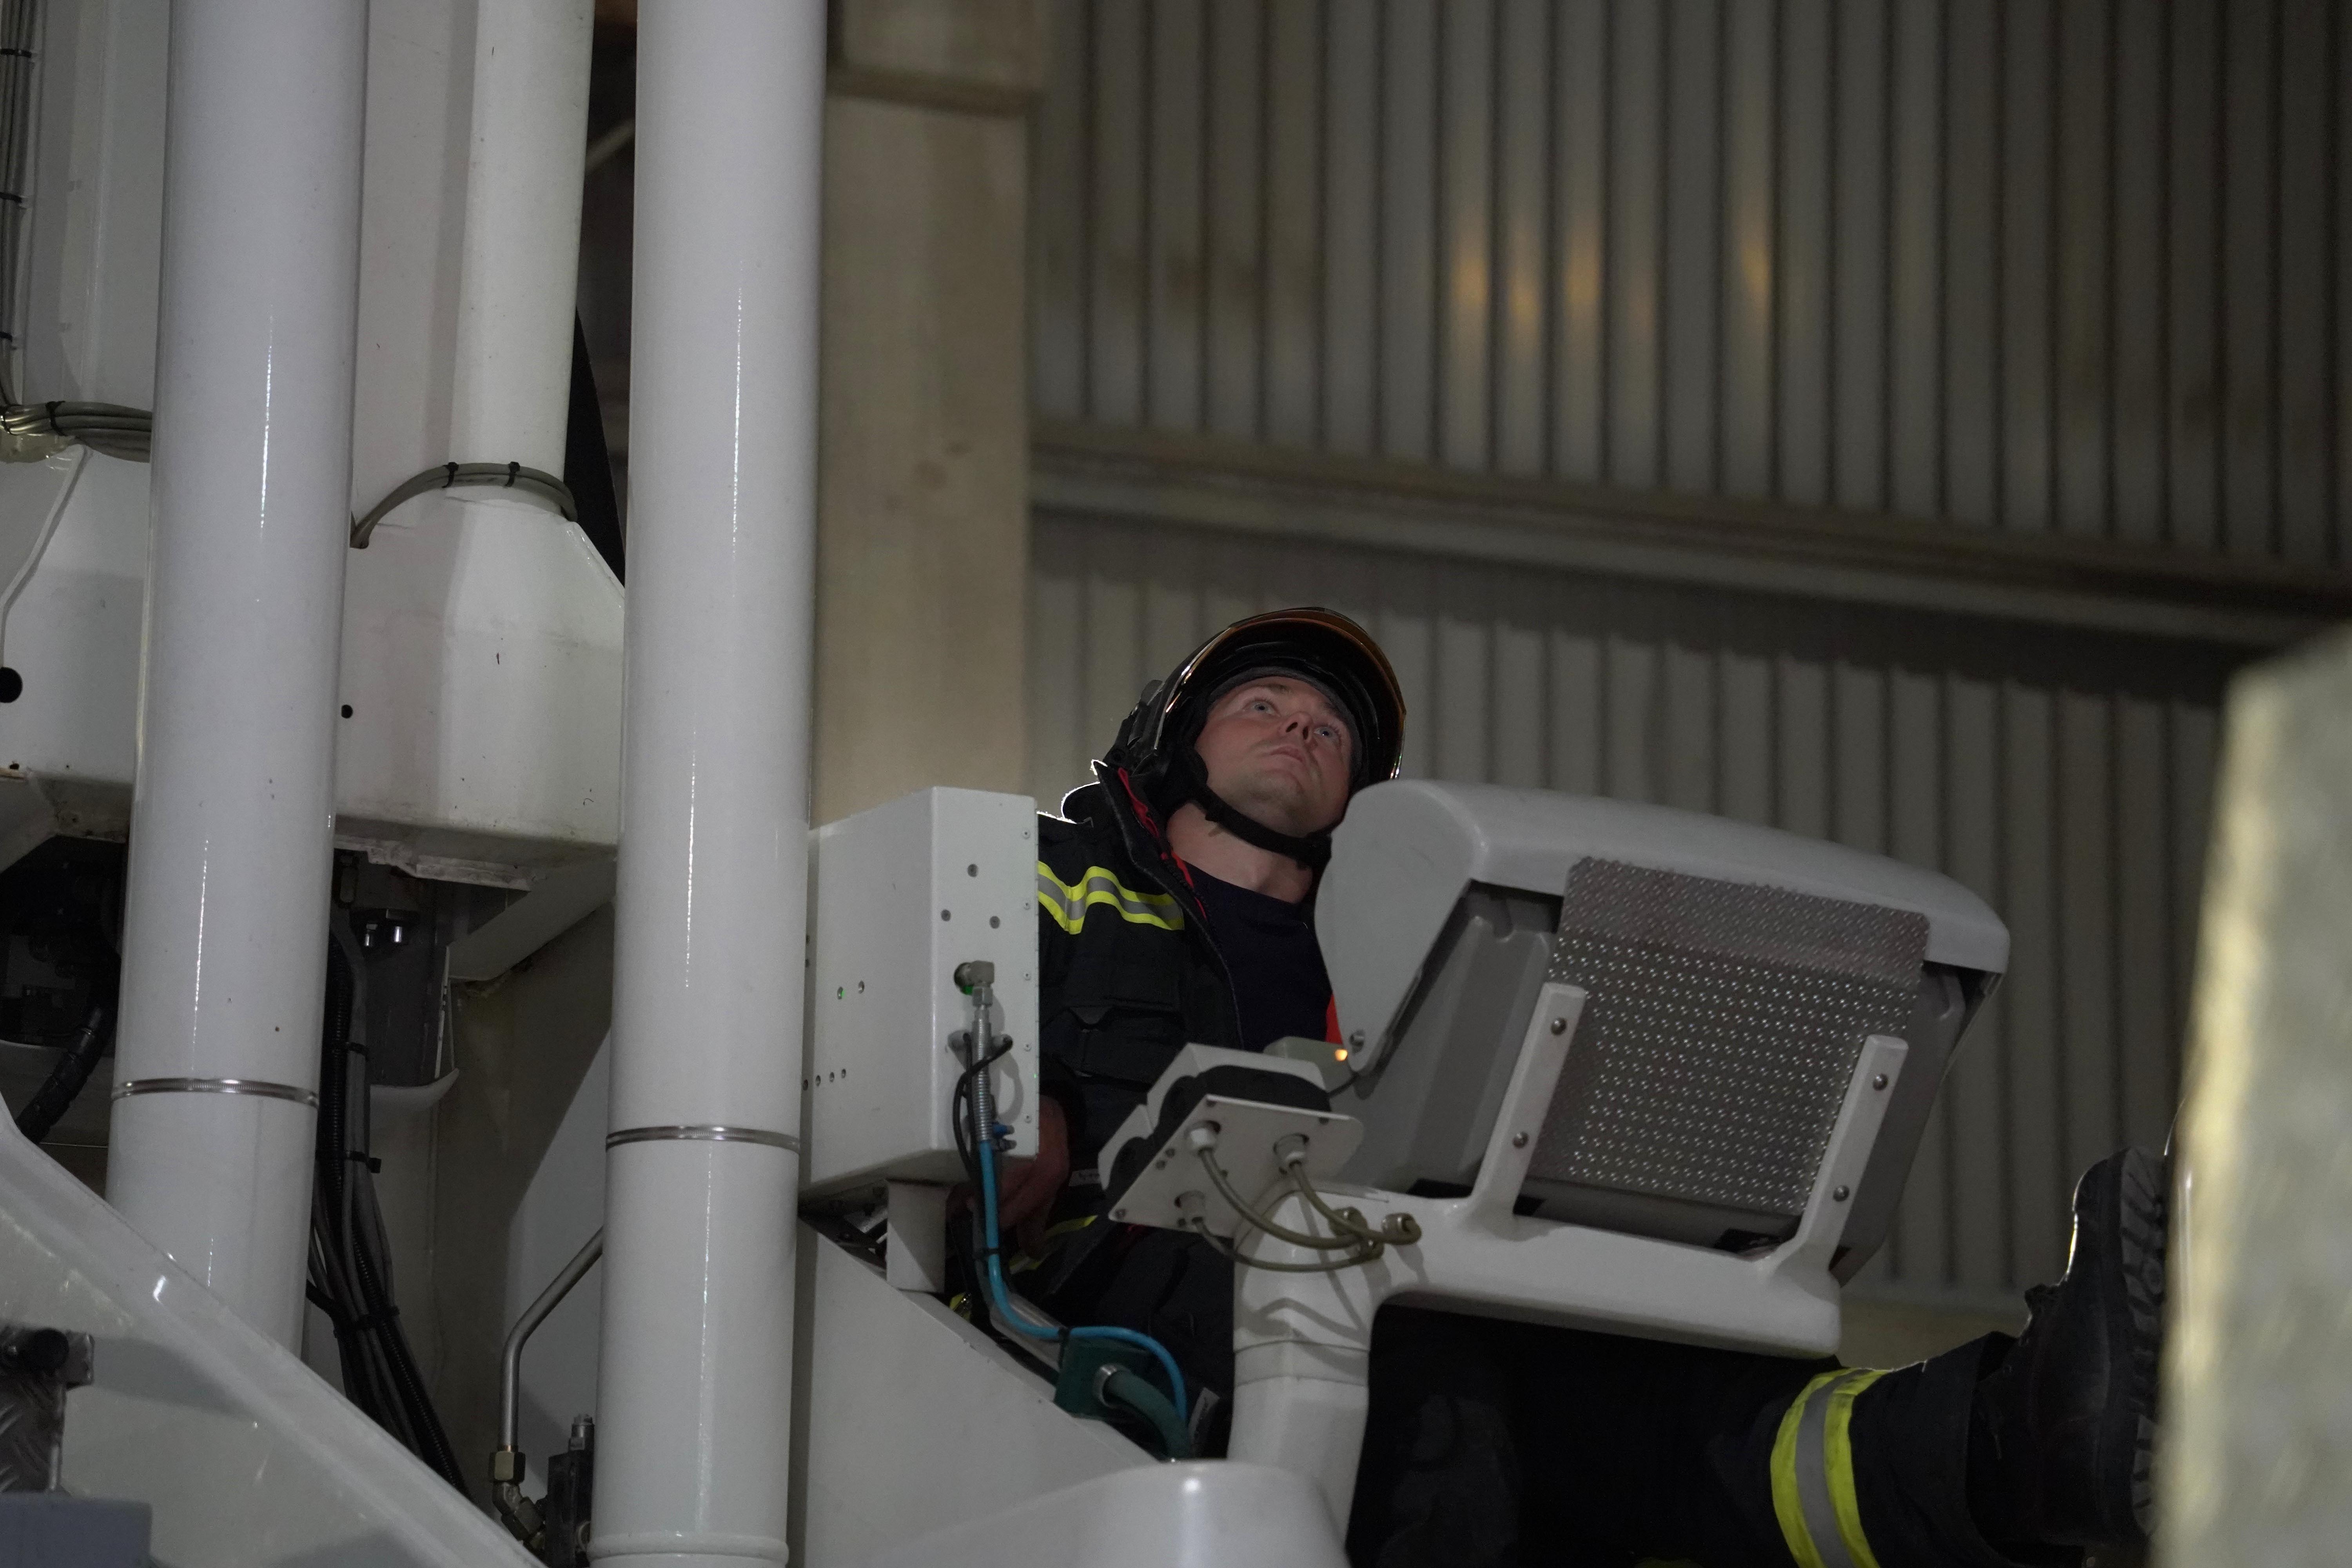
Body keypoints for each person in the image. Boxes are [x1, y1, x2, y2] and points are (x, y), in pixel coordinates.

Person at [999, 606, 2166, 1568]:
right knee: (1432, 1366)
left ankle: (2027, 1440)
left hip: (1424, 1273)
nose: (1302, 727)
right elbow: (956, 1057)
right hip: (1124, 1279)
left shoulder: (1423, 943)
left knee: (1695, 1404)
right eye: (1264, 704)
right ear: (1172, 738)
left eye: (1331, 729)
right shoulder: (1044, 874)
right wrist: (1021, 1099)